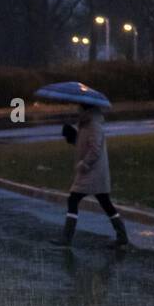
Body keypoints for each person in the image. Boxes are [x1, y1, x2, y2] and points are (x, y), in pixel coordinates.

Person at [51, 105, 129, 249]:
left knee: (74, 199)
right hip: (91, 172)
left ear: (88, 111)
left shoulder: (94, 126)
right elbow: (83, 144)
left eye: (80, 110)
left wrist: (84, 164)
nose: (77, 112)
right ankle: (122, 236)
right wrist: (71, 135)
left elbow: (95, 149)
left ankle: (67, 237)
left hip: (93, 172)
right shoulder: (84, 124)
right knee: (105, 203)